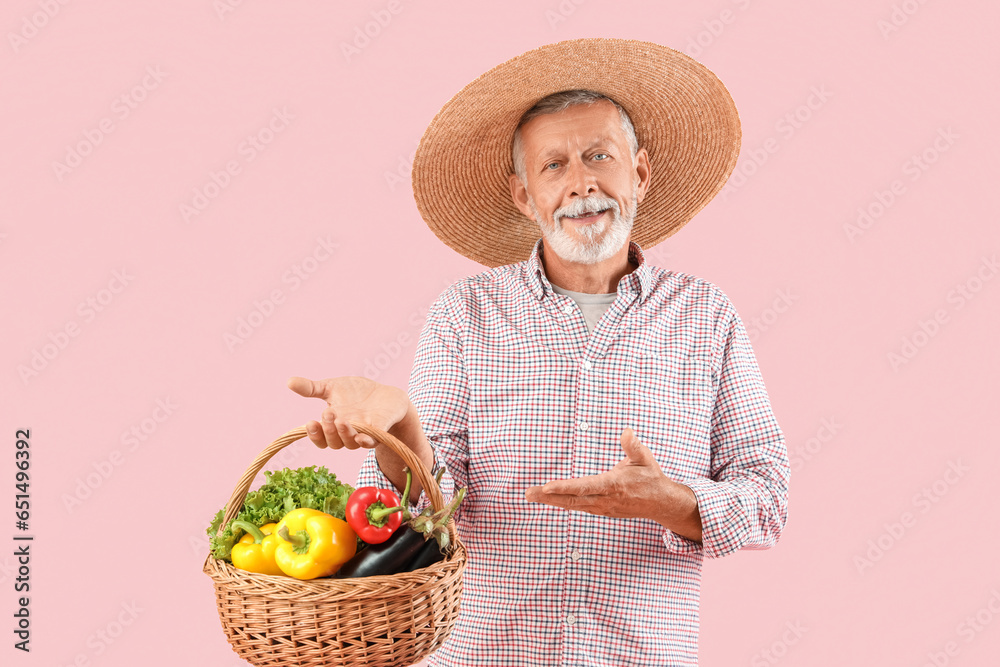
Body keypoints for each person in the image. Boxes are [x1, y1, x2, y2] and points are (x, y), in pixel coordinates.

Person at [288, 39, 789, 666]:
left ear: (639, 173)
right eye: (553, 166)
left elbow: (767, 495)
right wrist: (401, 430)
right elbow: (427, 514)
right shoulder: (465, 314)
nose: (581, 183)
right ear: (525, 197)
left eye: (599, 156)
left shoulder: (706, 316)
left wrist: (675, 503)